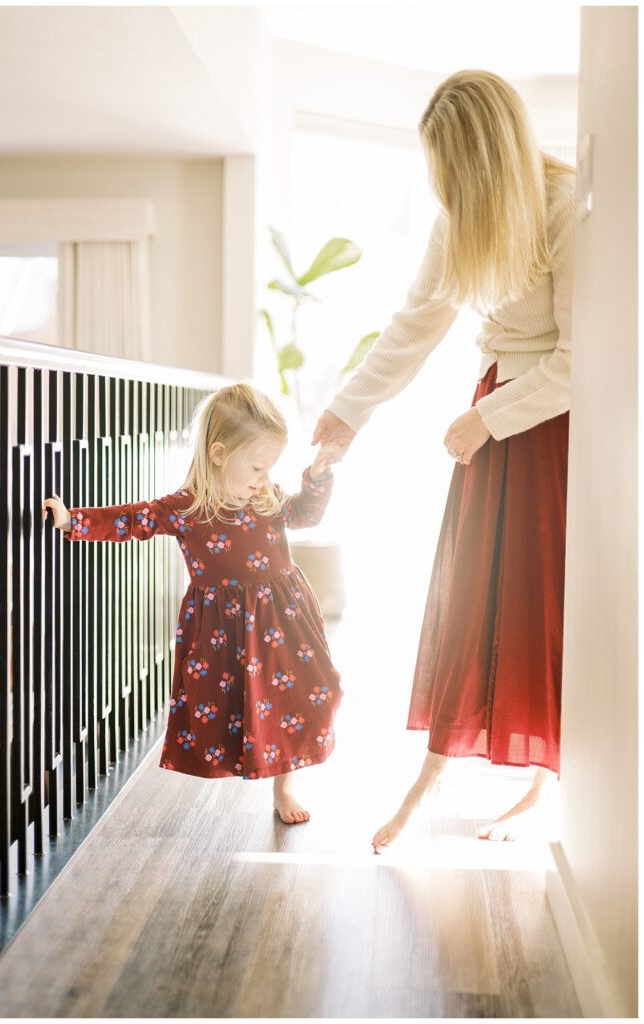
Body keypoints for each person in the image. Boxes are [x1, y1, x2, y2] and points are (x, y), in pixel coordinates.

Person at [312, 70, 576, 850]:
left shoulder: (564, 209)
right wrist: (346, 413)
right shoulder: (457, 219)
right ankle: (432, 776)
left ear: (484, 157)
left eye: (452, 168)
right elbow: (414, 324)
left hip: (544, 424)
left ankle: (545, 782)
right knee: (472, 599)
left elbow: (580, 357)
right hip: (494, 416)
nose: (444, 187)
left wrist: (486, 420)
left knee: (541, 603)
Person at [43, 383, 343, 825]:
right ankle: (264, 772)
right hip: (224, 628)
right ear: (219, 453)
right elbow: (133, 519)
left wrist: (317, 473)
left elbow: (305, 514)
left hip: (283, 616)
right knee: (240, 704)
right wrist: (74, 520)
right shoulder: (185, 508)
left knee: (305, 693)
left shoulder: (265, 496)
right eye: (257, 466)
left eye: (268, 468)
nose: (263, 478)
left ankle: (285, 783)